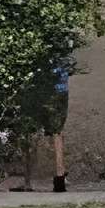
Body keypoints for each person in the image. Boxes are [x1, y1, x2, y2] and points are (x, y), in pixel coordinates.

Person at [40, 54, 72, 192]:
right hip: (61, 92)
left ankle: (59, 176)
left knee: (55, 131)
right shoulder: (63, 55)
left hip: (54, 93)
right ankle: (60, 175)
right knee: (57, 131)